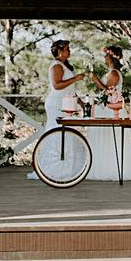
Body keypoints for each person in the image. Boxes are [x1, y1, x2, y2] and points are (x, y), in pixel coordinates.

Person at [85, 46, 131, 181]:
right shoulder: (112, 72)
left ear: (111, 57)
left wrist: (95, 80)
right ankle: (103, 166)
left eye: (106, 56)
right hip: (108, 107)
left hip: (112, 109)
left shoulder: (113, 73)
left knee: (110, 138)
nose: (104, 58)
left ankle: (111, 168)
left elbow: (108, 92)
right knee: (106, 138)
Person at [28, 40, 86, 180]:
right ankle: (53, 169)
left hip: (67, 103)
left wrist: (81, 102)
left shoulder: (65, 66)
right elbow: (57, 86)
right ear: (59, 51)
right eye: (67, 48)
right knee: (56, 134)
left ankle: (68, 168)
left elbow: (70, 90)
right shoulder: (56, 66)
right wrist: (76, 78)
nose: (69, 51)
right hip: (57, 104)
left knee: (69, 135)